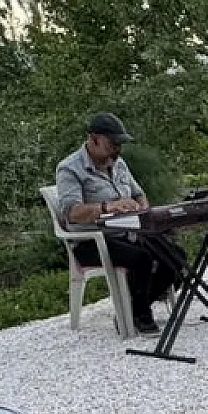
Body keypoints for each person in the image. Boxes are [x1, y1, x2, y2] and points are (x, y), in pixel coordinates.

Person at [55, 112, 174, 335]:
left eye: (120, 144)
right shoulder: (69, 168)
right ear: (94, 139)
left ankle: (133, 309)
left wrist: (141, 210)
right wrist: (107, 207)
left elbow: (139, 194)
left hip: (127, 232)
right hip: (92, 241)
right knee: (141, 258)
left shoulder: (119, 164)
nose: (117, 149)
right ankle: (139, 316)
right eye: (113, 144)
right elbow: (72, 213)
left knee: (174, 256)